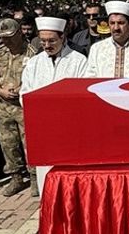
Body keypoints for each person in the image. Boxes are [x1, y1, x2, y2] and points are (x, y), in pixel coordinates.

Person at [20, 16, 88, 198]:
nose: (47, 45)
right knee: (45, 176)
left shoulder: (78, 61)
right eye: (43, 41)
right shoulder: (34, 62)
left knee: (70, 176)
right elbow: (25, 93)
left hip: (69, 128)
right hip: (43, 128)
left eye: (51, 40)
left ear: (62, 37)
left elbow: (81, 95)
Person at [0, 18, 37, 196]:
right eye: (2, 38)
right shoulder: (0, 53)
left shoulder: (32, 52)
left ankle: (34, 178)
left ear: (19, 33)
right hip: (3, 105)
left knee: (29, 143)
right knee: (7, 143)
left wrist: (19, 89)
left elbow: (35, 77)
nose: (5, 41)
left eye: (8, 37)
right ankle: (15, 177)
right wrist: (0, 91)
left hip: (23, 106)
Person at [86, 1, 129, 78]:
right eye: (112, 23)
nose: (116, 28)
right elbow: (89, 78)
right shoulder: (97, 49)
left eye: (121, 23)